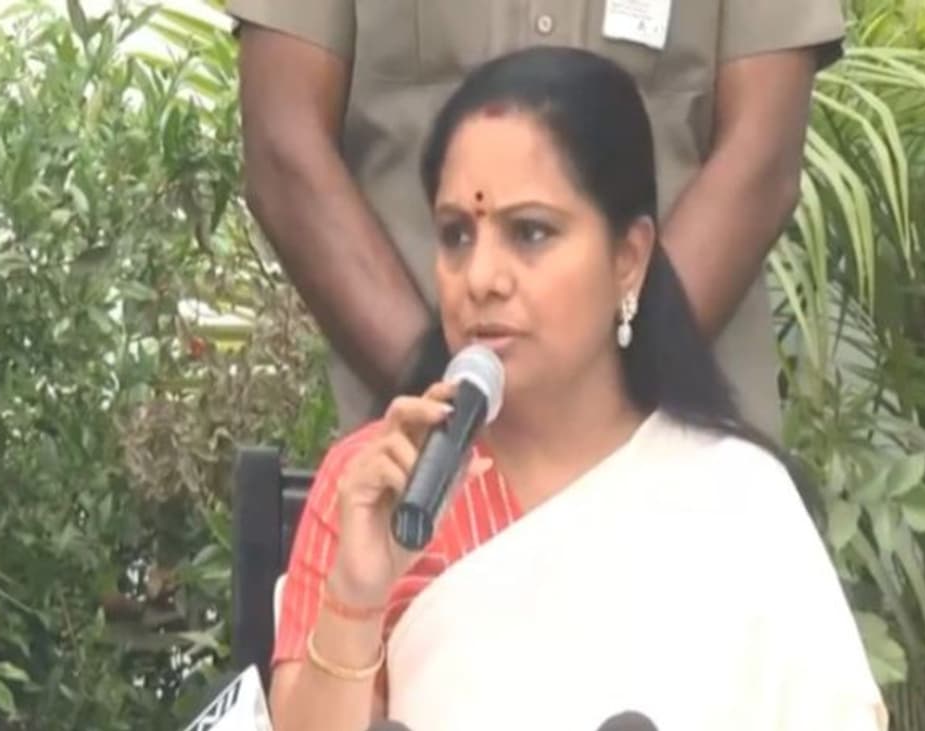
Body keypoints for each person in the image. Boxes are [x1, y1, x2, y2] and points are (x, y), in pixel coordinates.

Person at [264, 47, 888, 731]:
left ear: (628, 259)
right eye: (456, 235)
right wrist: (356, 597)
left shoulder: (737, 499)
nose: (482, 278)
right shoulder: (381, 487)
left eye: (530, 232)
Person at [229, 0, 845, 443]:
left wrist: (600, 419)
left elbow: (761, 157)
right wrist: (458, 404)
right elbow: (286, 149)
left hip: (679, 466)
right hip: (422, 472)